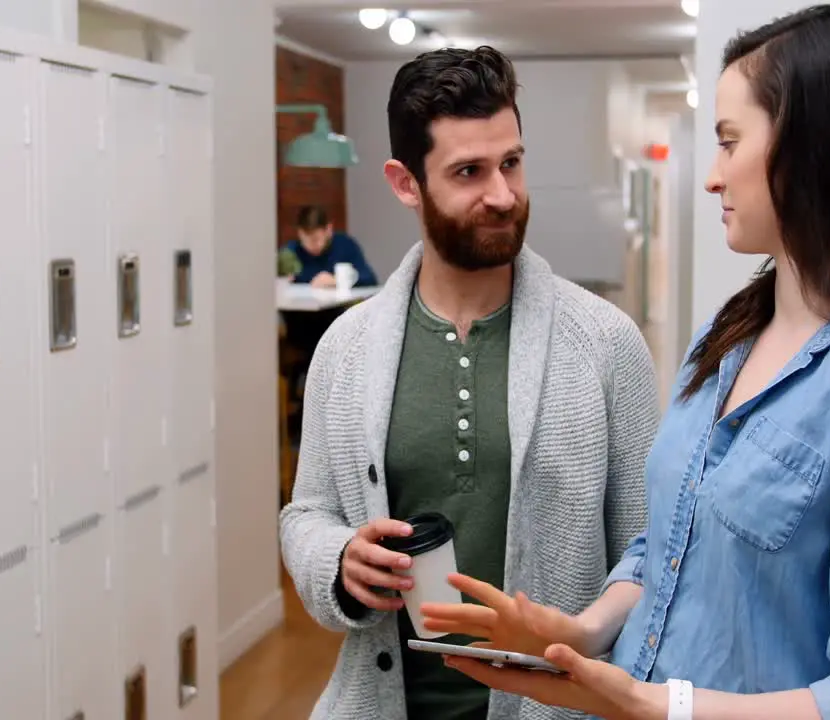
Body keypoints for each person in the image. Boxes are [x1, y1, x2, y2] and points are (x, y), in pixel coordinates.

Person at [421, 6, 830, 720]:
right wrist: (580, 631)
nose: (710, 177)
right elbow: (662, 546)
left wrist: (656, 706)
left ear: (811, 149)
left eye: (731, 143)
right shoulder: (726, 338)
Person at [278, 46, 660, 720]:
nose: (503, 194)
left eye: (511, 162)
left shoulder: (606, 344)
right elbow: (305, 512)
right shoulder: (347, 348)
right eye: (468, 172)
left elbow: (652, 549)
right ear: (405, 183)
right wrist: (338, 559)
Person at [285, 205, 379, 288]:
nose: (311, 246)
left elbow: (369, 279)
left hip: (340, 306)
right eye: (305, 240)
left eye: (316, 240)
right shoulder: (291, 251)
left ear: (328, 230)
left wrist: (337, 281)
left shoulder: (345, 244)